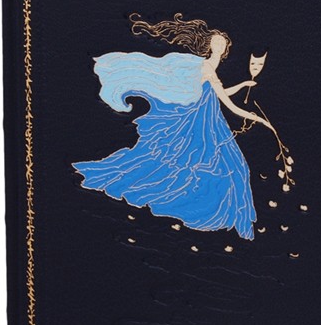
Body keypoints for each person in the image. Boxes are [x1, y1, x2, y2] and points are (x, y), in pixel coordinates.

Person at [72, 13, 275, 241]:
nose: (219, 46)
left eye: (222, 43)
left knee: (221, 167)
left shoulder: (209, 67)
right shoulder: (204, 67)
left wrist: (243, 84)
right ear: (209, 45)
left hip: (207, 124)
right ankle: (211, 214)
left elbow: (219, 93)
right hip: (199, 126)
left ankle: (217, 214)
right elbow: (228, 103)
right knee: (222, 167)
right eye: (216, 42)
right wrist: (258, 119)